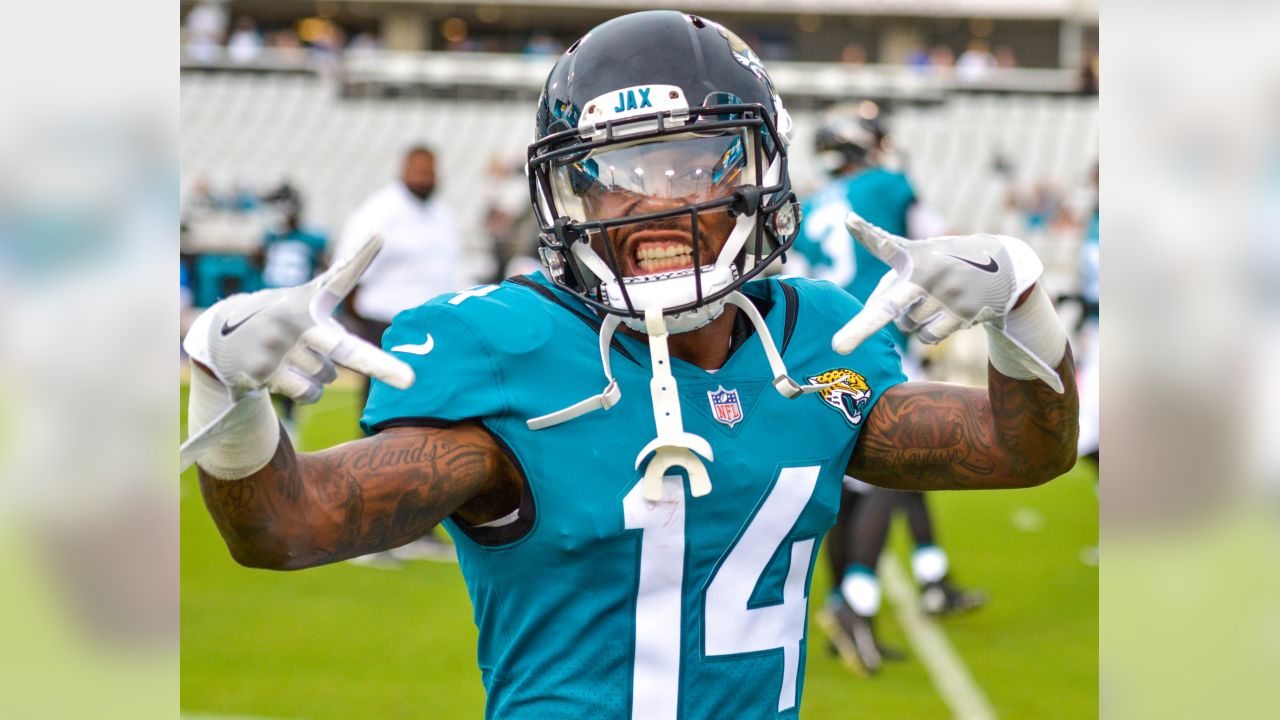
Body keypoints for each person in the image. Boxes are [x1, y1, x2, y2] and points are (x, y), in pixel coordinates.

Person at [181, 12, 1078, 719]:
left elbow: (1022, 449)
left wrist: (1021, 307)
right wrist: (227, 393)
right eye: (613, 170)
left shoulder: (815, 345)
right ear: (566, 190)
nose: (652, 200)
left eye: (689, 163)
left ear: (755, 172)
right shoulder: (508, 353)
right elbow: (287, 528)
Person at [790, 103, 986, 676]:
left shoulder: (810, 207)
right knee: (892, 476)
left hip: (818, 351)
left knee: (840, 487)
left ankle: (841, 605)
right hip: (880, 349)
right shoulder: (889, 184)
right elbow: (947, 247)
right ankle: (858, 602)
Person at [332, 144, 466, 563]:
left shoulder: (442, 216)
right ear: (403, 169)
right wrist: (360, 335)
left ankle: (415, 527)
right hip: (384, 328)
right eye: (418, 169)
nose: (425, 177)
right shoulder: (380, 211)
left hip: (430, 334)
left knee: (425, 431)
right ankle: (362, 535)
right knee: (380, 431)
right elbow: (347, 272)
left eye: (430, 170)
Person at [255, 183, 327, 435]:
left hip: (295, 309)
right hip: (270, 307)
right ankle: (268, 417)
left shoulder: (311, 239)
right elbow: (257, 260)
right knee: (264, 364)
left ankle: (288, 421)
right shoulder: (272, 236)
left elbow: (324, 270)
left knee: (289, 366)